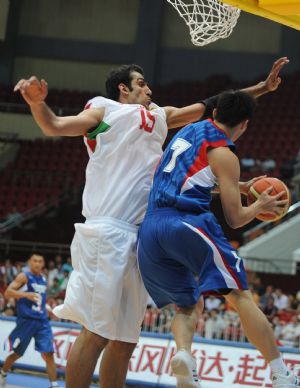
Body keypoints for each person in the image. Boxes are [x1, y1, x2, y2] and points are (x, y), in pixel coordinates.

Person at [14, 57, 289, 388]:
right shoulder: (104, 110)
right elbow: (55, 126)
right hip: (107, 228)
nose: (149, 88)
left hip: (142, 235)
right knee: (96, 333)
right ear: (123, 88)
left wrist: (262, 88)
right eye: (141, 83)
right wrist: (38, 104)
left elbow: (217, 107)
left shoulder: (160, 116)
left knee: (125, 340)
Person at [137, 90, 299, 388]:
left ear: (214, 114)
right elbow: (236, 219)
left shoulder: (189, 130)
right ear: (245, 125)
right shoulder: (225, 153)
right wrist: (259, 206)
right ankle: (280, 373)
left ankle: (184, 355)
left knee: (187, 305)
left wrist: (236, 185)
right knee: (239, 295)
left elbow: (193, 178)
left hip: (150, 229)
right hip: (186, 223)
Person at [0, 254, 59, 388]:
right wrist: (25, 294)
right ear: (30, 263)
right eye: (35, 261)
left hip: (42, 321)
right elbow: (8, 293)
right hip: (26, 321)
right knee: (17, 354)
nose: (37, 263)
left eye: (40, 261)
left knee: (49, 353)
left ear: (43, 263)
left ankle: (54, 385)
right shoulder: (24, 276)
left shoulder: (43, 278)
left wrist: (48, 308)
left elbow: (40, 300)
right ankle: (3, 373)